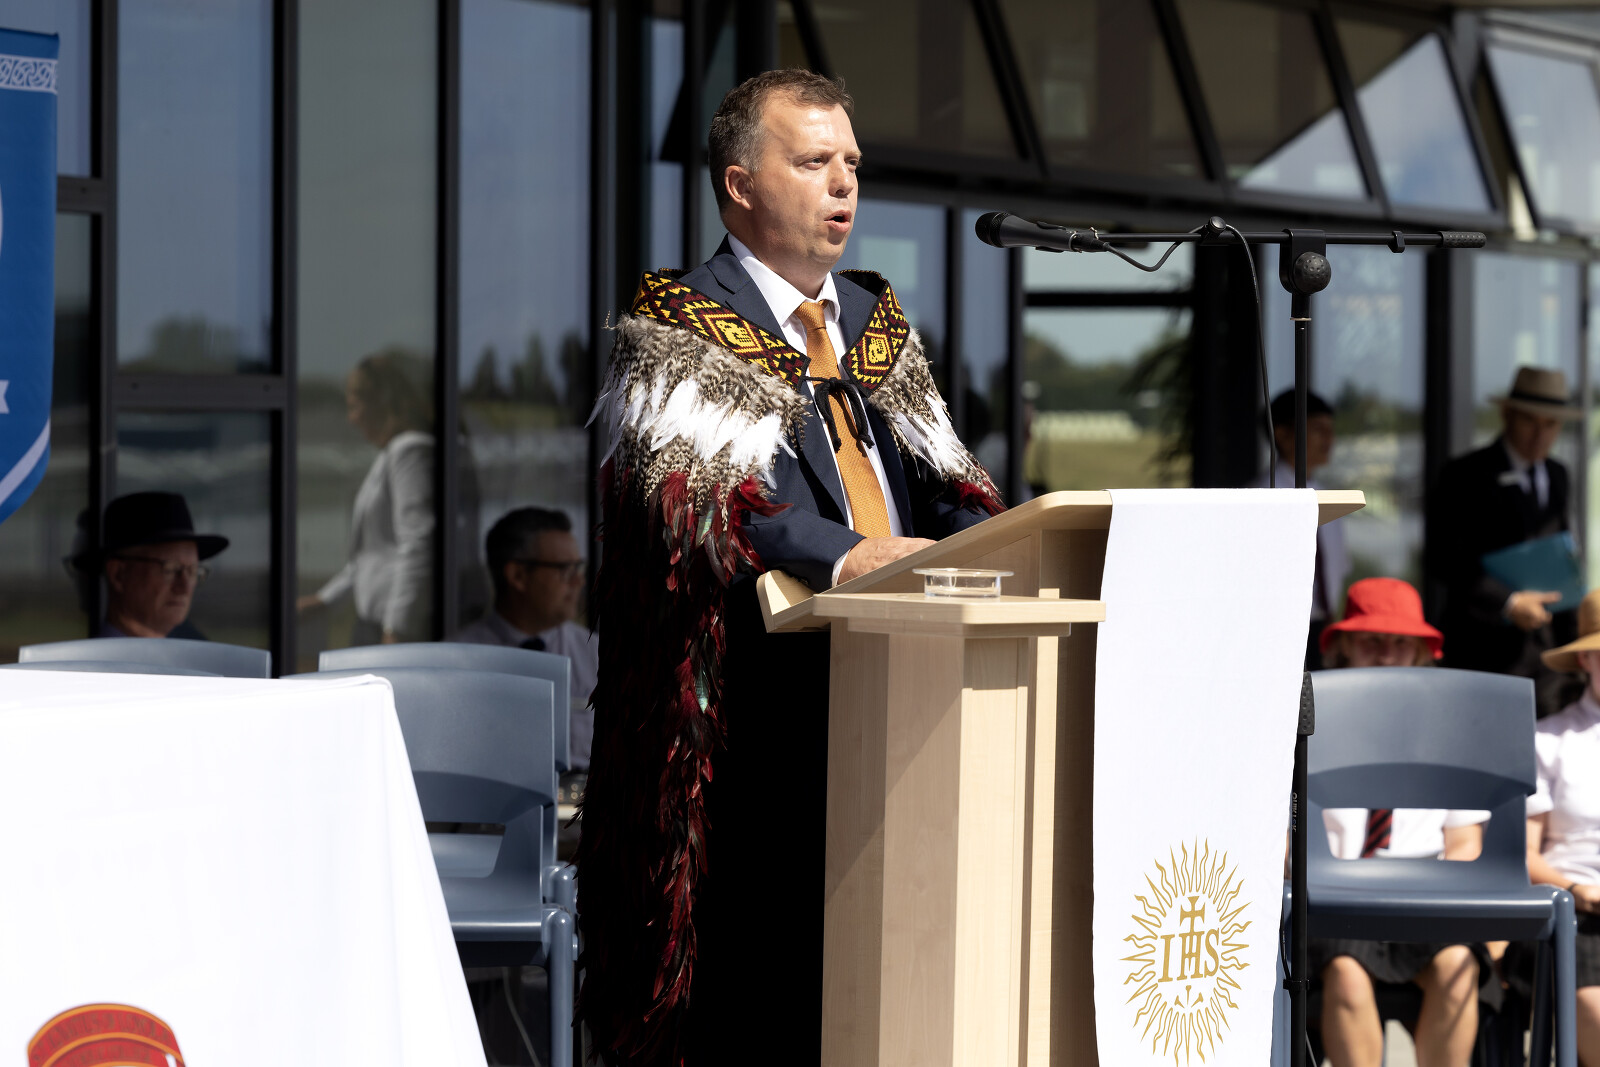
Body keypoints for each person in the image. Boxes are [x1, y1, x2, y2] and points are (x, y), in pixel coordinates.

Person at [576, 69, 1002, 1065]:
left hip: (905, 691)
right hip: (754, 713)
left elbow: (945, 482)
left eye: (850, 162)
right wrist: (851, 554)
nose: (843, 184)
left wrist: (1004, 538)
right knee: (762, 996)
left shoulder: (870, 317)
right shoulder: (679, 319)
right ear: (739, 185)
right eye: (813, 162)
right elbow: (705, 504)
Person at [1310, 577, 1495, 1067]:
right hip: (1336, 902)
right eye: (1371, 641)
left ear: (1418, 653)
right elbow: (1287, 840)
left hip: (1425, 899)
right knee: (1346, 971)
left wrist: (1437, 894)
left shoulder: (1450, 731)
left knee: (1458, 964)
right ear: (1345, 647)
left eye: (1399, 642)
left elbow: (1465, 842)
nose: (1385, 654)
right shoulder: (1309, 726)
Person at [1428, 366, 1583, 718]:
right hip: (1482, 653)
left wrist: (1575, 648)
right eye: (1530, 421)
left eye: (1551, 424)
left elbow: (1560, 556)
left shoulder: (1558, 474)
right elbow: (1444, 557)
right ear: (1507, 414)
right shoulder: (1465, 474)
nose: (1540, 434)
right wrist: (1508, 602)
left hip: (1547, 659)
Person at [297, 349, 435, 644]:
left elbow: (418, 543)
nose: (351, 419)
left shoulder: (407, 451)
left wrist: (396, 629)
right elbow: (373, 554)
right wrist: (325, 599)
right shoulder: (392, 453)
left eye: (354, 406)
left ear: (381, 403)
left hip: (390, 628)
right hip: (376, 622)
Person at [1521, 588, 1600, 1067]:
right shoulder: (1550, 739)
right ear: (1587, 659)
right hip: (1575, 914)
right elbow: (1524, 855)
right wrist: (1578, 890)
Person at [457, 506, 597, 771]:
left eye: (579, 568)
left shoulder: (599, 657)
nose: (578, 581)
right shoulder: (455, 664)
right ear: (518, 576)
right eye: (566, 569)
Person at [1253, 389, 1351, 668]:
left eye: (1331, 430)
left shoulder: (1327, 496)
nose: (1329, 439)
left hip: (1321, 627)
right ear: (1283, 434)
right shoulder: (1261, 497)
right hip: (1277, 630)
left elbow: (1337, 568)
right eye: (1318, 429)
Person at [73, 491, 229, 639]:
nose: (184, 587)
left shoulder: (191, 652)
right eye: (170, 569)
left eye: (193, 571)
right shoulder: (97, 659)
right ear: (118, 574)